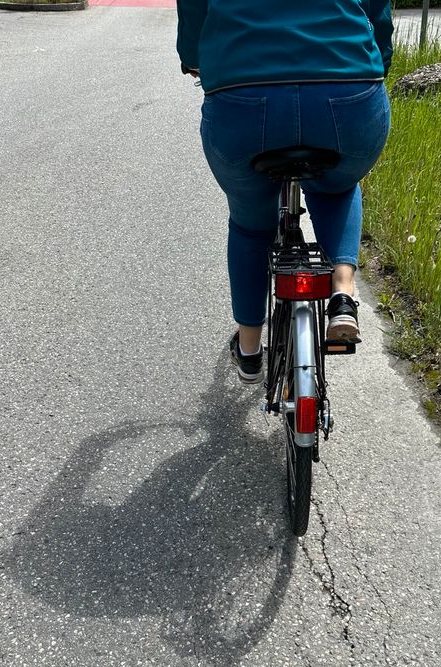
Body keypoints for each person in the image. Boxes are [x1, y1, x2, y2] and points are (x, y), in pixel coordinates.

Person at [177, 1, 393, 384]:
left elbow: (194, 10)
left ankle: (248, 351)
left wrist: (194, 58)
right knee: (337, 187)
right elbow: (378, 11)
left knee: (250, 223)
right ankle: (342, 293)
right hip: (348, 93)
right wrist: (376, 61)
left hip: (242, 99)